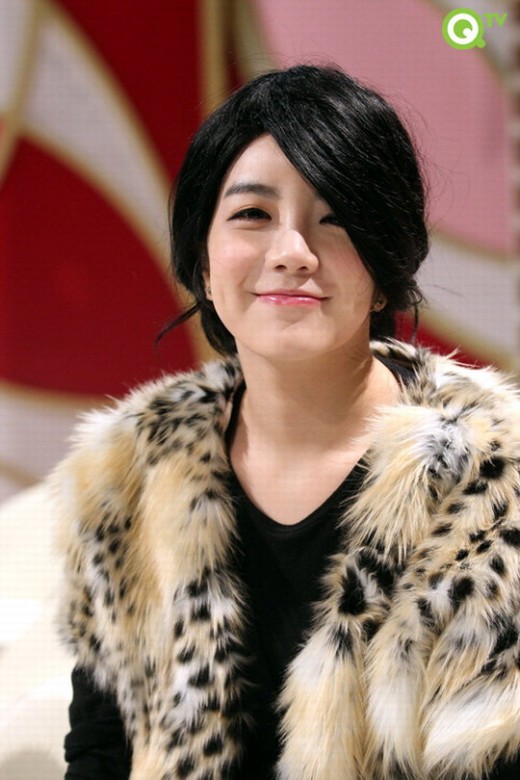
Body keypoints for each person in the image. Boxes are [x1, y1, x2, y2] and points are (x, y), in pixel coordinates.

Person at [54, 64, 520, 780]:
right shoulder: (128, 473)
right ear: (204, 262)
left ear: (384, 267)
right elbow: (102, 747)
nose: (293, 253)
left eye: (336, 218)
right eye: (253, 214)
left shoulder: (491, 482)